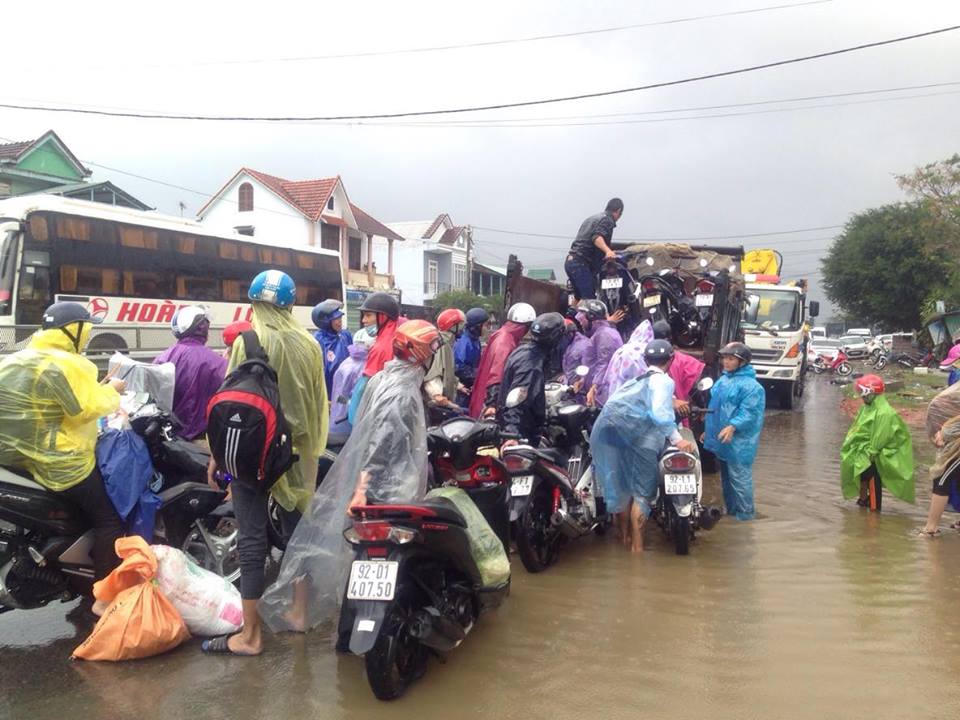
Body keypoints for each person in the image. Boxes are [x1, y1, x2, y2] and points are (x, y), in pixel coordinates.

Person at [258, 320, 441, 641]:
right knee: (387, 557)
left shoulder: (385, 377)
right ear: (422, 354)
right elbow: (380, 442)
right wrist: (363, 488)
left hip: (375, 482)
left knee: (362, 557)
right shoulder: (400, 390)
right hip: (386, 489)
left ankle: (350, 624)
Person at [202, 270, 327, 657]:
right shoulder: (311, 344)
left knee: (253, 540)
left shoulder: (248, 341)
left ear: (254, 302)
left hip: (254, 454)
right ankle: (299, 613)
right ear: (290, 305)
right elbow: (317, 406)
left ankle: (250, 635)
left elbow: (232, 402)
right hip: (295, 454)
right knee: (298, 536)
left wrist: (217, 455)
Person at [0, 302, 126, 591]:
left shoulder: (19, 358)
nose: (89, 333)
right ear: (75, 330)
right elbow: (85, 409)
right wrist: (113, 390)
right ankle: (104, 595)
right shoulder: (72, 364)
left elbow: (45, 403)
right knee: (111, 521)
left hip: (20, 457)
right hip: (62, 462)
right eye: (87, 327)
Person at [590, 340, 696, 552]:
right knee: (642, 495)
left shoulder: (636, 380)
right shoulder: (664, 381)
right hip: (644, 441)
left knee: (623, 490)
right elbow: (659, 413)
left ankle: (624, 540)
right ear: (671, 360)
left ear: (646, 360)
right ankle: (636, 552)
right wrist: (678, 439)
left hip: (616, 437)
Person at [703, 342, 765, 521]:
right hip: (723, 439)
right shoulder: (724, 380)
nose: (726, 362)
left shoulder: (752, 387)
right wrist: (709, 431)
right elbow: (715, 408)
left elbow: (749, 413)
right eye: (724, 358)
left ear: (742, 362)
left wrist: (733, 426)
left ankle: (746, 515)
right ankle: (731, 512)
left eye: (731, 359)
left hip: (739, 442)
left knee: (739, 478)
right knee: (726, 479)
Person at [840, 374, 914, 513]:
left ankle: (874, 522)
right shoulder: (868, 407)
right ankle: (863, 502)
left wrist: (870, 454)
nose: (861, 397)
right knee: (863, 479)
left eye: (862, 393)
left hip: (873, 457)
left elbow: (880, 439)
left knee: (873, 487)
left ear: (870, 392)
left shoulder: (884, 412)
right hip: (864, 452)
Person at [153, 306, 227, 441]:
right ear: (201, 328)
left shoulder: (162, 357)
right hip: (202, 438)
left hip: (167, 436)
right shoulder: (218, 362)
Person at [497, 312, 566, 447]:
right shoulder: (532, 366)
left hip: (512, 426)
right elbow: (517, 399)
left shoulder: (523, 350)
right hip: (521, 434)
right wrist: (512, 434)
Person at [469, 302, 536, 418]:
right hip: (489, 401)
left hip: (483, 395)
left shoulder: (502, 334)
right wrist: (492, 404)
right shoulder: (505, 341)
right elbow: (497, 374)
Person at [348, 292, 401, 424]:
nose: (363, 320)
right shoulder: (396, 338)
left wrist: (354, 417)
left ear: (383, 317)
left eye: (368, 315)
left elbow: (364, 387)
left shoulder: (381, 346)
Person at [565, 198, 624, 301]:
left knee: (579, 298)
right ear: (618, 211)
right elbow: (597, 237)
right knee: (590, 301)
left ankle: (573, 315)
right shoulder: (607, 220)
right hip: (581, 264)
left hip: (570, 262)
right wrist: (608, 251)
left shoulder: (591, 219)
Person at [328, 326, 376, 444]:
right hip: (346, 427)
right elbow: (344, 398)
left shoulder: (349, 361)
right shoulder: (363, 367)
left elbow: (338, 396)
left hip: (337, 421)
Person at [652, 319, 706, 419]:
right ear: (670, 337)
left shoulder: (644, 358)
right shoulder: (683, 360)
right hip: (676, 410)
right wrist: (702, 407)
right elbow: (694, 385)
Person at [579, 299, 624, 408]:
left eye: (582, 318)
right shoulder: (600, 333)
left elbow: (605, 363)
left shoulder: (604, 335)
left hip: (602, 395)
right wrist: (583, 380)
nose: (580, 322)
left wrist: (594, 387)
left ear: (591, 317)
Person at [425, 308, 466, 415]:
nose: (463, 329)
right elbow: (432, 375)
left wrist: (458, 385)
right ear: (453, 326)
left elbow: (446, 372)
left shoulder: (447, 343)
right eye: (461, 325)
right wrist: (438, 396)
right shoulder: (441, 345)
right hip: (436, 405)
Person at [603, 319, 653, 400]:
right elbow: (645, 380)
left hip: (616, 397)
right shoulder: (640, 353)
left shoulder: (621, 350)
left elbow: (608, 377)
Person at [311, 299, 353, 394]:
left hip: (344, 388)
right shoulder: (318, 339)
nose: (340, 322)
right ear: (326, 321)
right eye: (336, 319)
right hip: (327, 390)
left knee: (343, 406)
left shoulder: (345, 335)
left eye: (340, 319)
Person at [455, 307, 489, 404]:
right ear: (477, 326)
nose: (488, 328)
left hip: (470, 388)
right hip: (462, 390)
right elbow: (459, 367)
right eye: (486, 325)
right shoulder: (464, 342)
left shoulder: (475, 340)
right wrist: (479, 376)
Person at [562, 314, 592, 389]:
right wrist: (565, 375)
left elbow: (589, 368)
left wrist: (582, 380)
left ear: (570, 333)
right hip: (569, 384)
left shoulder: (583, 346)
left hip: (581, 388)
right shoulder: (569, 343)